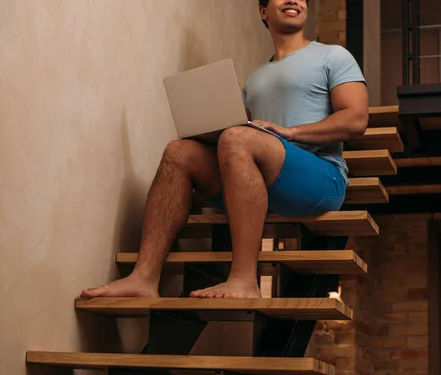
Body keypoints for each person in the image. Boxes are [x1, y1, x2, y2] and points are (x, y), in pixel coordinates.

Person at [81, 0, 369, 300]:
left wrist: (291, 131)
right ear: (263, 11)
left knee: (236, 138)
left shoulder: (333, 56)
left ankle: (244, 279)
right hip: (264, 182)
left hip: (321, 178)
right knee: (179, 152)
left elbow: (357, 119)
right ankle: (144, 277)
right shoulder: (255, 78)